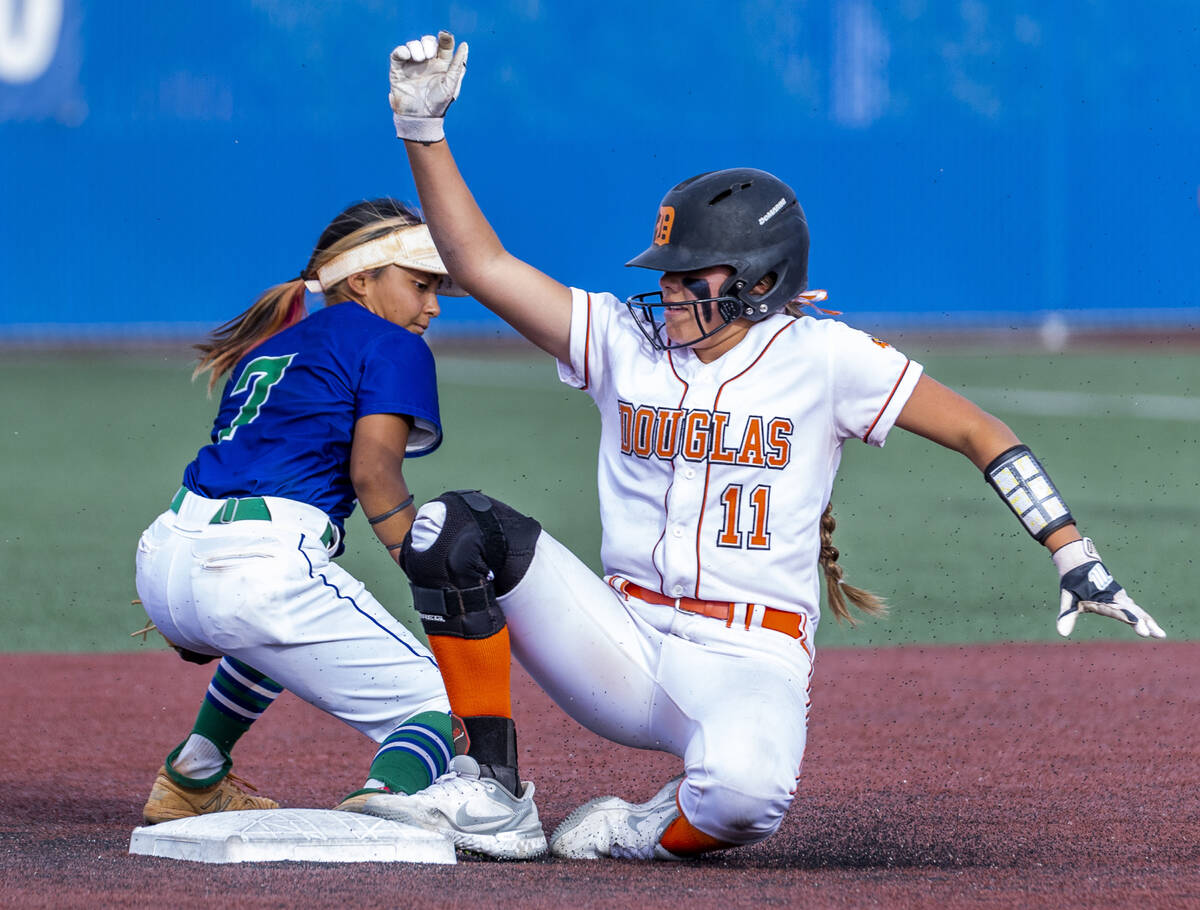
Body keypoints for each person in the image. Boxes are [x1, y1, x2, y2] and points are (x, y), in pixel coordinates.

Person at [349, 33, 1165, 862]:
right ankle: (490, 788)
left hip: (750, 657)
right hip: (620, 638)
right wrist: (424, 131)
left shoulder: (825, 358)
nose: (666, 285)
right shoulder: (623, 337)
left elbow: (980, 432)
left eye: (689, 272)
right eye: (666, 269)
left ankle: (638, 830)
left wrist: (1073, 550)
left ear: (759, 281)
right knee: (451, 526)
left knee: (744, 802)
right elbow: (481, 265)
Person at [133, 197, 549, 859]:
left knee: (267, 638)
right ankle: (391, 792)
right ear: (360, 280)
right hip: (255, 570)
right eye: (420, 284)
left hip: (166, 559)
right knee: (449, 700)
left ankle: (194, 774)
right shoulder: (390, 343)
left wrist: (193, 609)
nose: (433, 306)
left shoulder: (269, 345)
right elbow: (374, 474)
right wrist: (436, 581)